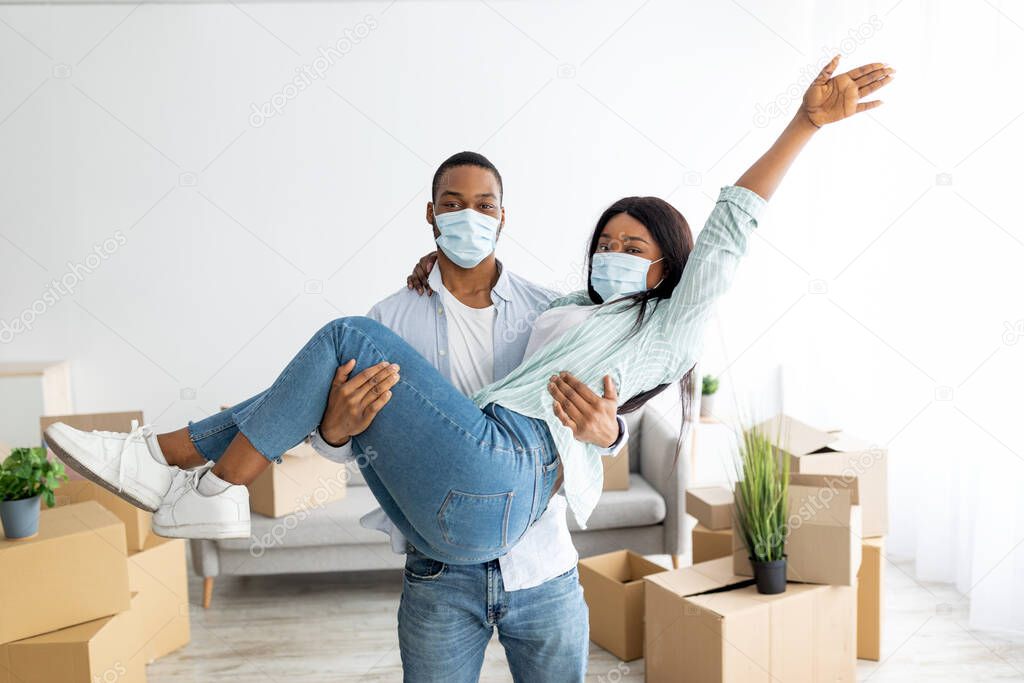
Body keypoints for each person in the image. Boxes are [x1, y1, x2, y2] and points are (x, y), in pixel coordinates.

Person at [44, 56, 893, 566]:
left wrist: (802, 124)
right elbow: (462, 337)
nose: (618, 254)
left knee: (347, 334)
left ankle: (197, 479)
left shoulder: (666, 325)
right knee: (353, 350)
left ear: (670, 266)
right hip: (459, 503)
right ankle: (162, 460)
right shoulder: (563, 308)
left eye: (638, 248)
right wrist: (444, 273)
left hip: (511, 474)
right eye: (610, 241)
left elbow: (731, 235)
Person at [307, 151, 622, 681]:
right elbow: (339, 443)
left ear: (503, 217)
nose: (468, 216)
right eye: (452, 204)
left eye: (484, 205)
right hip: (439, 573)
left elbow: (608, 416)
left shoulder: (549, 312)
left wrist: (609, 433)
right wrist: (334, 430)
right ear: (430, 214)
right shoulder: (389, 320)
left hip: (542, 564)